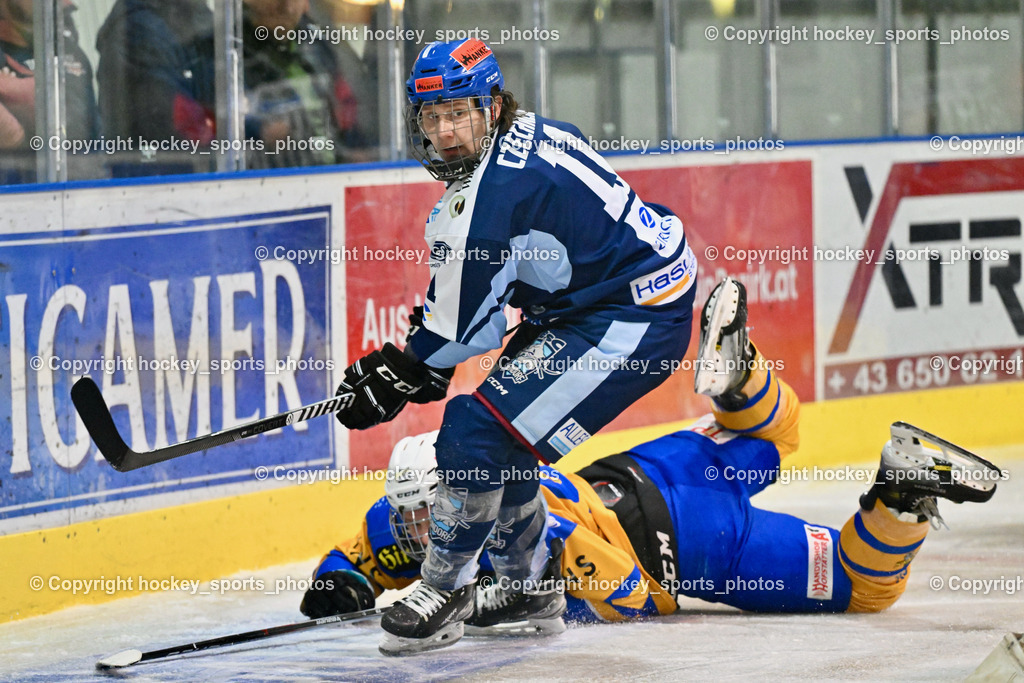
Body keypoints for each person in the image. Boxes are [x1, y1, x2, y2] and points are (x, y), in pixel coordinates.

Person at [310, 279, 1002, 642]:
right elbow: (360, 550)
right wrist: (339, 581)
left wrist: (524, 595)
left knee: (863, 585)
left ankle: (903, 496)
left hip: (692, 541)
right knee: (778, 433)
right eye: (414, 519)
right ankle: (741, 379)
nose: (420, 532)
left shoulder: (529, 534)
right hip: (660, 464)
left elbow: (631, 593)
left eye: (433, 515)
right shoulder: (435, 496)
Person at [333, 38, 698, 654]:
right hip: (598, 299)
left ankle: (444, 589)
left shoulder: (489, 197)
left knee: (474, 430)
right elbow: (485, 303)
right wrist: (421, 363)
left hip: (634, 315)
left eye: (459, 113)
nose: (445, 132)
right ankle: (526, 590)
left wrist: (400, 371)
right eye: (431, 116)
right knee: (506, 434)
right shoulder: (524, 133)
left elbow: (462, 332)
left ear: (493, 107)